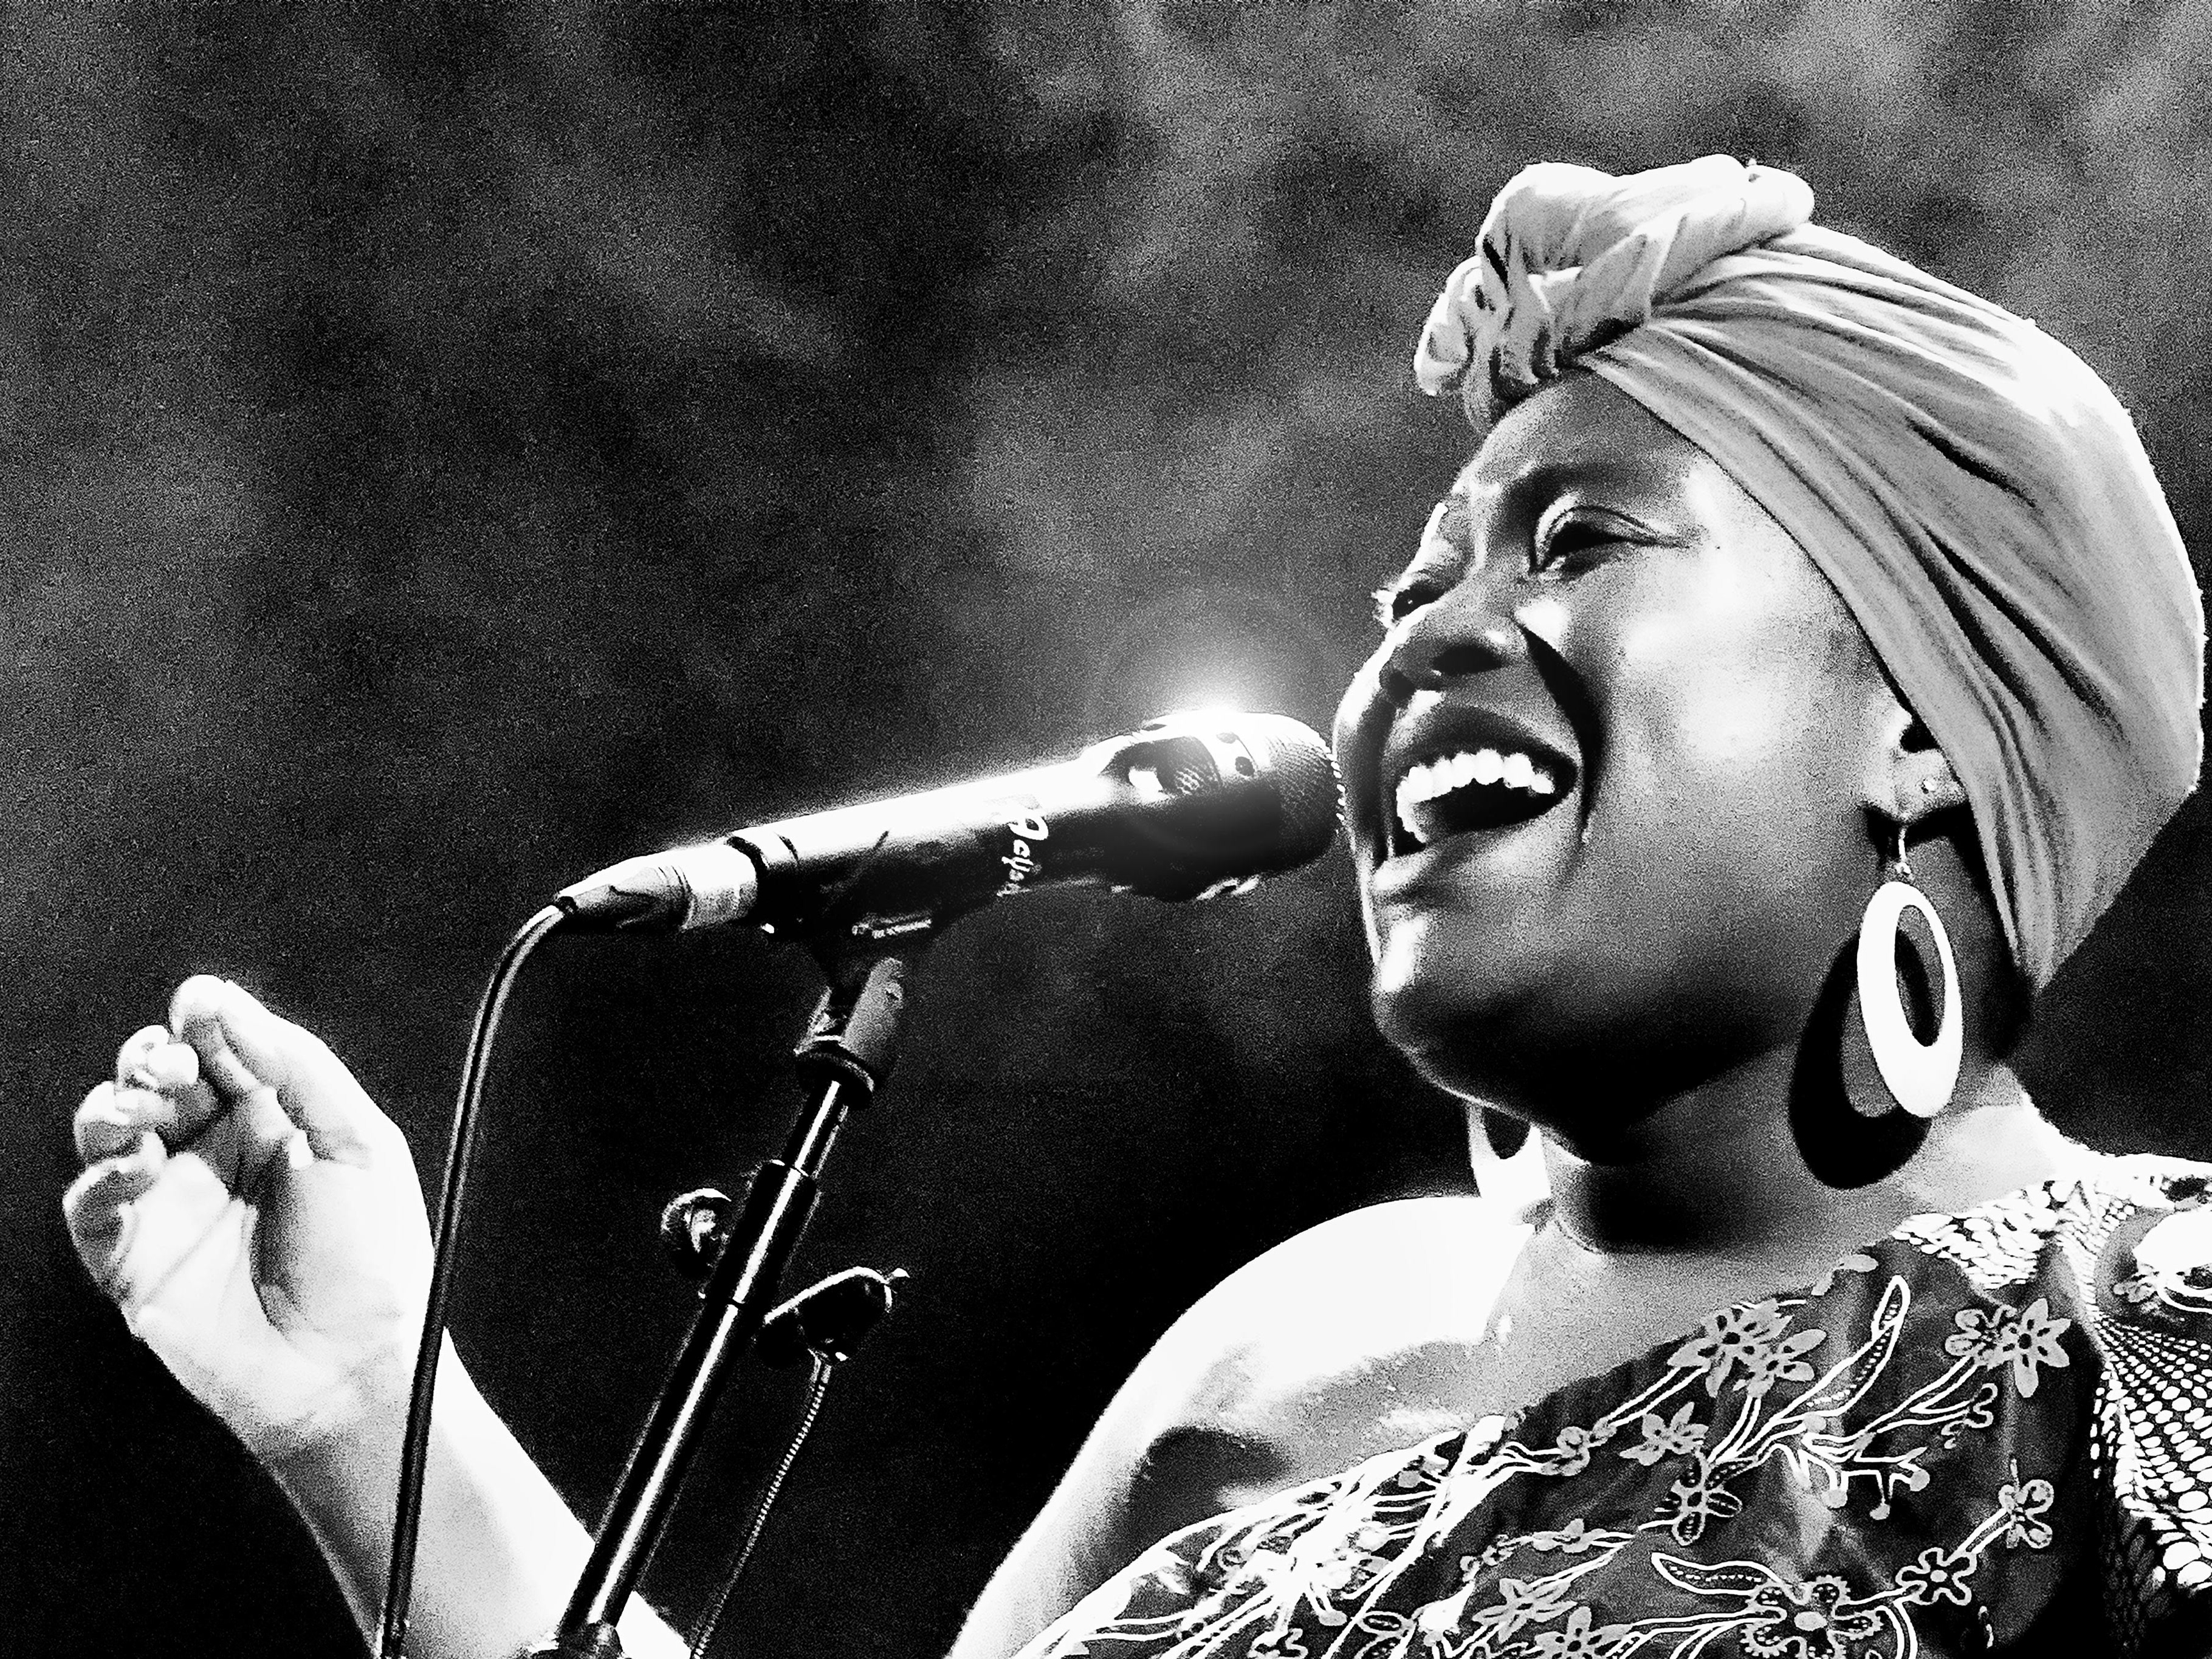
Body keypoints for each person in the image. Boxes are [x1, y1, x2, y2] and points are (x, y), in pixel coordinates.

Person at [64, 156, 2212, 1658]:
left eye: (1576, 541)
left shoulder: (2158, 1335)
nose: (1422, 642)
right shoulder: (1283, 1355)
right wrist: (378, 1413)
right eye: (1413, 587)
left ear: (1922, 726)